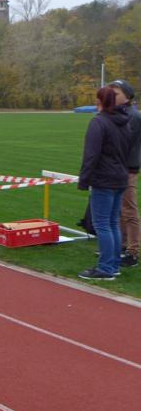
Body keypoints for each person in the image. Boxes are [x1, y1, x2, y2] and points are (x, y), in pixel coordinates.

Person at [78, 87, 132, 281]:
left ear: (99, 101)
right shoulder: (125, 122)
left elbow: (91, 154)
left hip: (104, 178)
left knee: (102, 224)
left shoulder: (99, 122)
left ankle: (106, 268)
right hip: (120, 177)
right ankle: (114, 265)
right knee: (112, 222)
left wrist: (84, 179)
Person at [108, 79, 141, 268]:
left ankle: (133, 251)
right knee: (119, 209)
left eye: (117, 93)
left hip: (127, 168)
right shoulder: (120, 113)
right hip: (118, 167)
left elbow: (123, 144)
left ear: (127, 96)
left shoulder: (132, 116)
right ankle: (121, 245)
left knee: (129, 209)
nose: (113, 97)